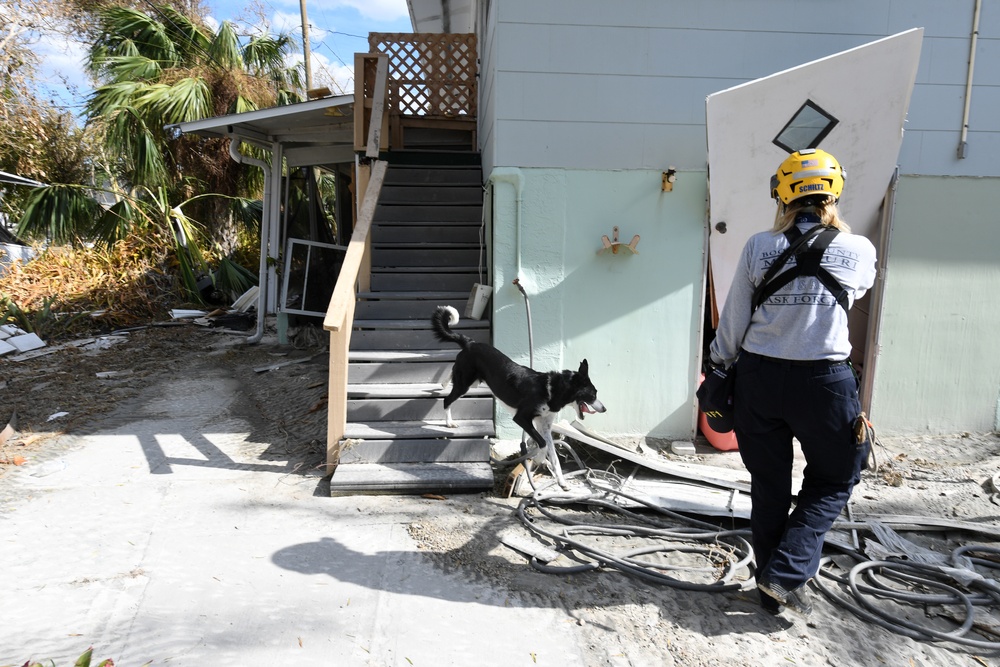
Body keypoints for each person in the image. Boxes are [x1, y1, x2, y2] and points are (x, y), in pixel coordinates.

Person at [708, 148, 877, 616]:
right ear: (834, 193)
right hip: (825, 383)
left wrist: (719, 367)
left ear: (781, 196)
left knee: (769, 485)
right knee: (837, 474)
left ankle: (772, 580)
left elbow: (735, 318)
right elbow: (857, 289)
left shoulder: (759, 246)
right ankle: (783, 575)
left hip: (759, 378)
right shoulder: (859, 249)